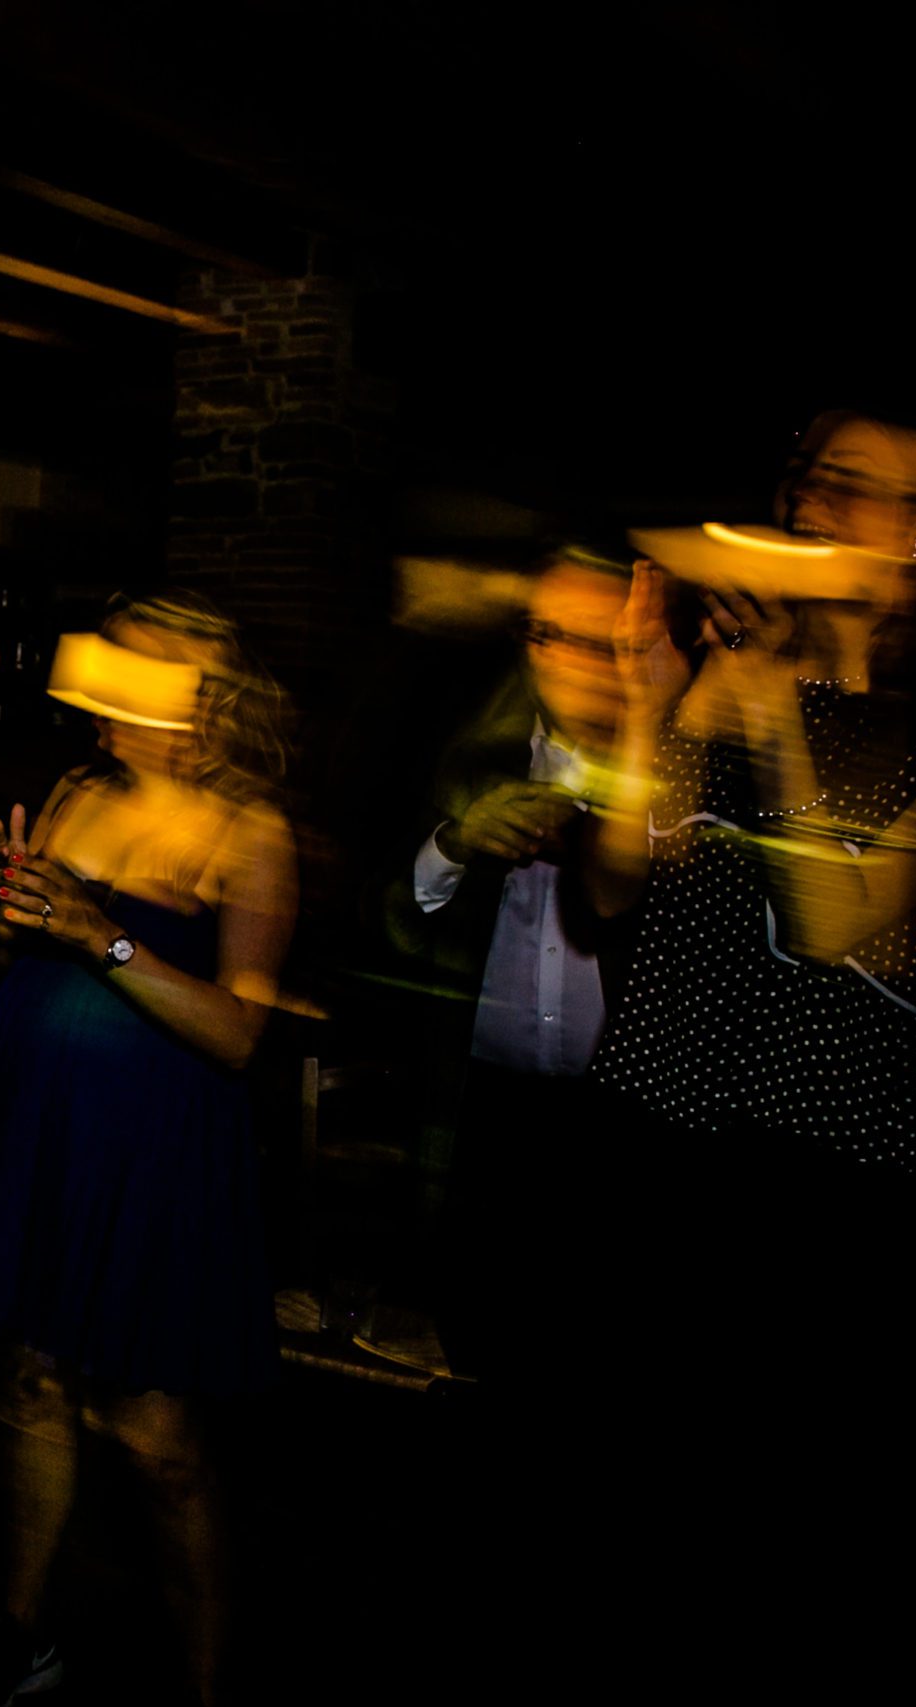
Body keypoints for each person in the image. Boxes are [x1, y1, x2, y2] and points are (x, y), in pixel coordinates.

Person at [583, 404, 916, 1670]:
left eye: (866, 491)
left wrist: (776, 710)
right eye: (818, 481)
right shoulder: (732, 667)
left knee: (789, 1573)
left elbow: (842, 920)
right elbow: (617, 884)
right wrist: (650, 704)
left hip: (824, 1209)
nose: (819, 510)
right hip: (655, 1147)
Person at [0, 589, 298, 1705]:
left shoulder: (250, 832)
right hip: (43, 1132)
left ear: (196, 700)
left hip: (150, 1154)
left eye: (123, 690)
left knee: (154, 1436)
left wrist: (98, 936)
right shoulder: (74, 793)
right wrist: (11, 923)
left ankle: (208, 1682)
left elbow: (239, 1032)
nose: (96, 713)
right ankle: (20, 1637)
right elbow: (16, 961)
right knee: (30, 1387)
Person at [381, 550, 633, 1386]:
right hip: (487, 1119)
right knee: (477, 1360)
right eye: (550, 633)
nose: (573, 660)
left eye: (603, 640)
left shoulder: (673, 788)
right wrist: (452, 846)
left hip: (622, 1126)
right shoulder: (471, 760)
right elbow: (388, 931)